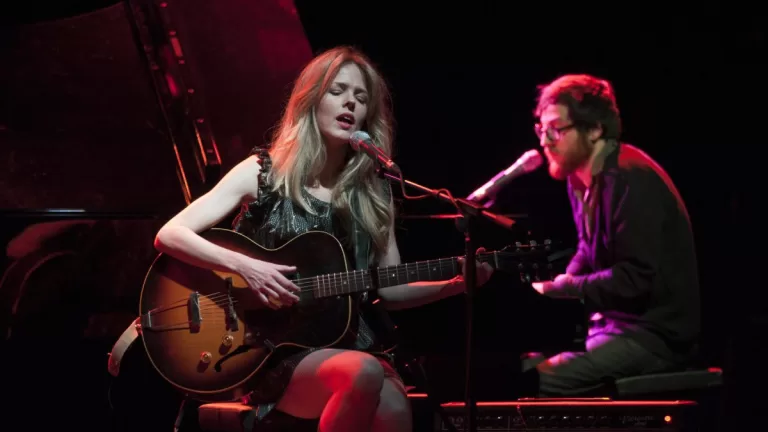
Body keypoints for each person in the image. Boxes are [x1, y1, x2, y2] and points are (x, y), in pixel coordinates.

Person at [153, 46, 494, 432]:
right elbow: (170, 234)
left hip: (348, 341)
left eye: (361, 97)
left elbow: (391, 289)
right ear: (311, 100)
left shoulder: (374, 192)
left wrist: (457, 284)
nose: (350, 102)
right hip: (271, 348)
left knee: (394, 408)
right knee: (363, 372)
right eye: (338, 91)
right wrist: (248, 268)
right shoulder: (263, 173)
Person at [525, 74, 700, 396]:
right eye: (541, 129)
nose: (545, 141)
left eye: (556, 129)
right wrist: (553, 288)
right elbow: (588, 250)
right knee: (520, 365)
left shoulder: (629, 177)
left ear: (594, 129)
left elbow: (634, 278)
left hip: (653, 337)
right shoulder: (580, 178)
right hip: (612, 327)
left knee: (536, 381)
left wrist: (561, 288)